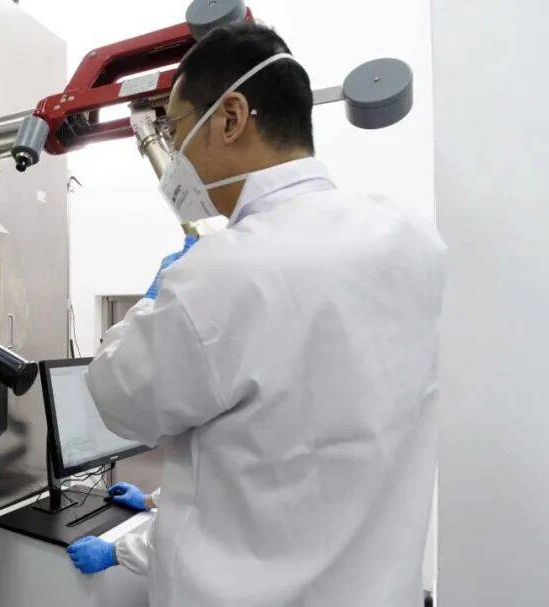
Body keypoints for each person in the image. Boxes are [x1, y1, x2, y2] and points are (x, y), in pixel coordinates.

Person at [65, 22, 445, 607]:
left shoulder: (221, 275)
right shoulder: (412, 240)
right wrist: (161, 503)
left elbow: (118, 399)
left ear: (231, 118)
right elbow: (294, 448)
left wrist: (154, 298)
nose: (174, 158)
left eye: (175, 131)